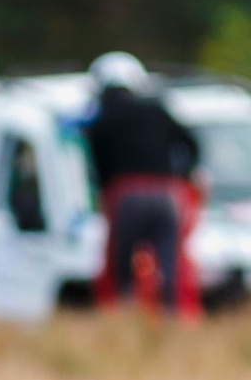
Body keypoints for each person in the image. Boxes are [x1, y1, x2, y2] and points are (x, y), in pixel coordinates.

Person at [83, 51, 203, 317]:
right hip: (167, 196)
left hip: (125, 197)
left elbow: (96, 167)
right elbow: (191, 143)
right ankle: (173, 320)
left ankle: (124, 320)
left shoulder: (101, 121)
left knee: (121, 266)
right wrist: (182, 175)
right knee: (170, 265)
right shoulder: (156, 110)